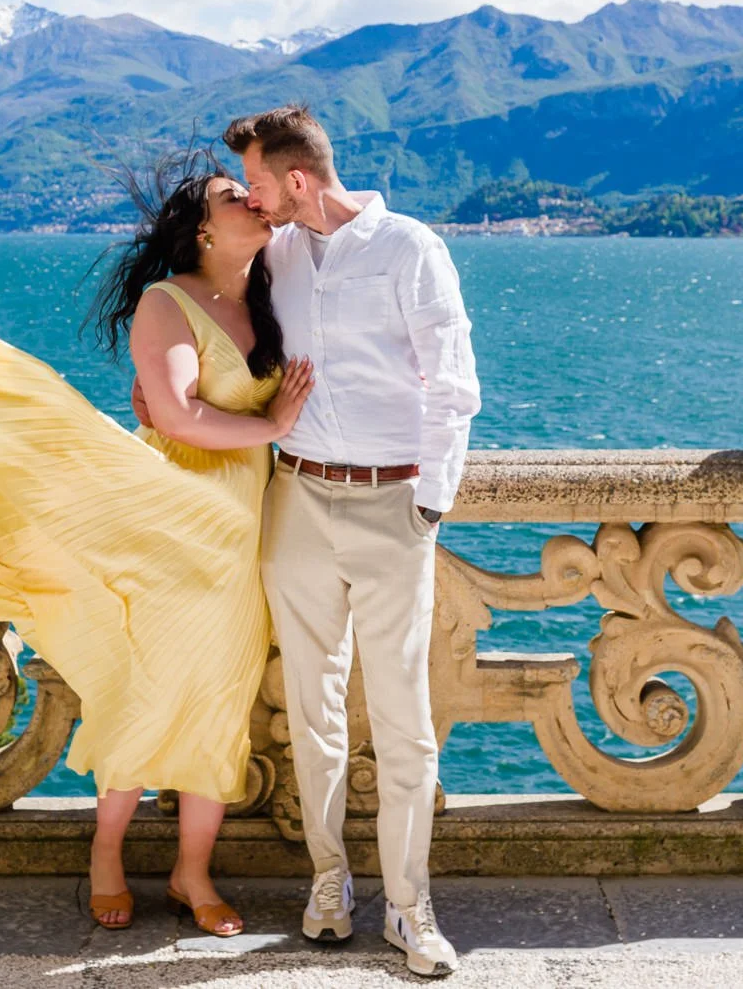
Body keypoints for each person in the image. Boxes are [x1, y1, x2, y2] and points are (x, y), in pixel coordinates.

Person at [0, 152, 314, 937]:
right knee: (144, 692)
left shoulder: (274, 294)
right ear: (202, 226)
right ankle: (108, 852)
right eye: (236, 194)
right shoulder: (169, 303)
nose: (254, 200)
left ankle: (190, 872)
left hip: (240, 543)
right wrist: (270, 425)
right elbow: (173, 415)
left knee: (218, 703)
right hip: (171, 524)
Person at [222, 104, 480, 978]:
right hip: (295, 497)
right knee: (311, 705)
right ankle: (330, 882)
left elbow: (453, 386)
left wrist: (428, 506)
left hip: (391, 504)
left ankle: (412, 906)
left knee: (404, 716)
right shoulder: (279, 252)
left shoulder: (410, 248)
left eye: (259, 184)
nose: (254, 202)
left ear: (299, 178)